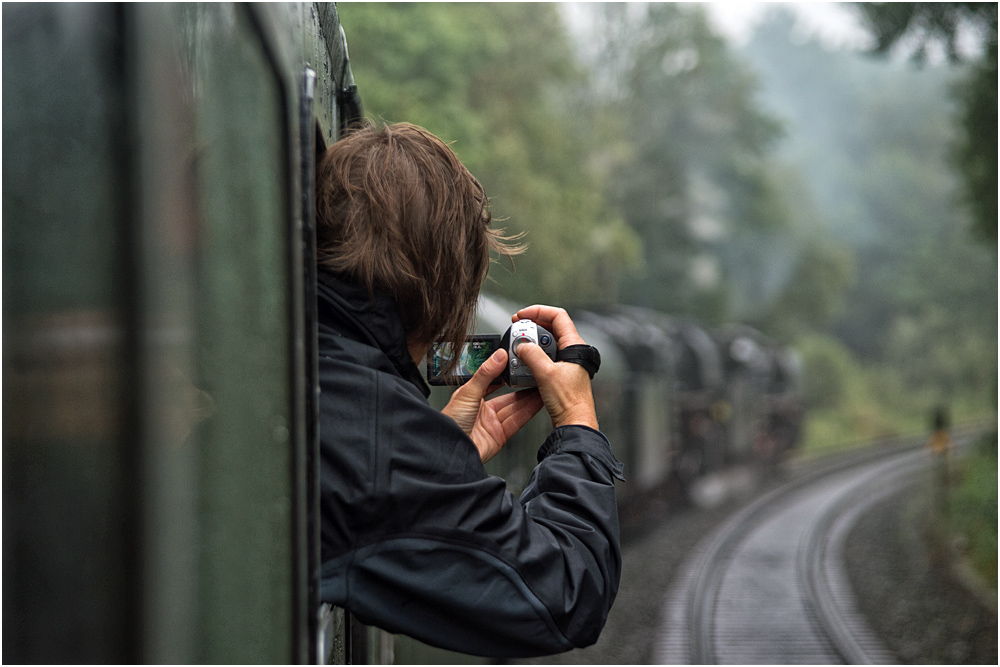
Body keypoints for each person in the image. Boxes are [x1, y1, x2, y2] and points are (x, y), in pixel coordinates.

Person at [315, 121, 624, 658]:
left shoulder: (306, 352)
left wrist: (446, 464)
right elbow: (570, 591)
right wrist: (576, 421)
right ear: (441, 292)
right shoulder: (380, 440)